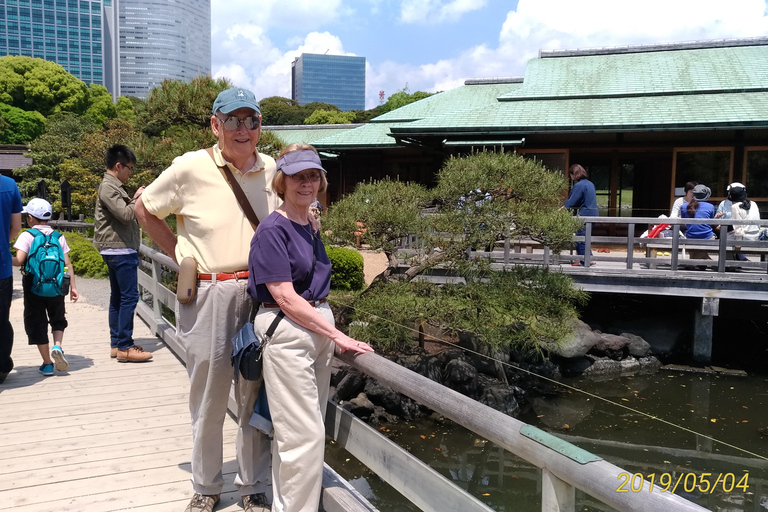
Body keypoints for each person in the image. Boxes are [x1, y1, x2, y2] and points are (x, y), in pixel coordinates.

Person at [135, 87, 280, 512]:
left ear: (259, 127)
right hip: (210, 290)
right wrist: (180, 255)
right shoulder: (190, 166)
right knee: (209, 395)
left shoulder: (273, 169)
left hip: (259, 292)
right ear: (215, 124)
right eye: (231, 120)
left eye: (250, 120)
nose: (242, 129)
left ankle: (253, 485)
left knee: (252, 391)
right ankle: (206, 485)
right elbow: (144, 208)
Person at [248, 143, 374, 512]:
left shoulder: (309, 224)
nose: (307, 183)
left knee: (302, 431)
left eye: (313, 176)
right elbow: (285, 297)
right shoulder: (273, 230)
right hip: (288, 331)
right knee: (303, 436)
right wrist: (339, 336)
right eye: (298, 176)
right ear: (281, 182)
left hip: (315, 329)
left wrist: (329, 333)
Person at [93, 144, 152, 362]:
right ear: (118, 166)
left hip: (116, 248)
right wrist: (138, 197)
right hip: (119, 248)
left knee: (118, 298)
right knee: (129, 297)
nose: (130, 172)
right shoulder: (109, 187)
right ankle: (125, 347)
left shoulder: (111, 186)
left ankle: (117, 344)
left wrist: (132, 196)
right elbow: (126, 215)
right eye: (129, 167)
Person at [12, 198, 78, 376]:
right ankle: (57, 346)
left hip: (34, 285)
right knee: (57, 318)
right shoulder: (58, 236)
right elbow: (68, 264)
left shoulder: (27, 235)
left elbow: (19, 261)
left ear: (31, 218)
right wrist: (73, 287)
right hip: (57, 285)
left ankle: (47, 363)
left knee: (37, 322)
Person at [0, 174, 22, 384]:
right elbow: (16, 226)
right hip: (2, 266)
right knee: (1, 320)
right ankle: (2, 366)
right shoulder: (8, 185)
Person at [563, 164, 598, 266]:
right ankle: (589, 258)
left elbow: (572, 202)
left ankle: (584, 261)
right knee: (585, 238)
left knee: (580, 238)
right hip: (594, 214)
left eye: (571, 175)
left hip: (584, 215)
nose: (571, 178)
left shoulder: (579, 185)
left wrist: (561, 208)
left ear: (574, 174)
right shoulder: (590, 184)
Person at [681, 184, 715, 263]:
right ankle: (705, 260)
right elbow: (710, 222)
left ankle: (695, 262)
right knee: (709, 236)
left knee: (690, 236)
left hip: (690, 236)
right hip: (707, 237)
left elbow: (684, 222)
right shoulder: (710, 206)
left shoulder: (683, 206)